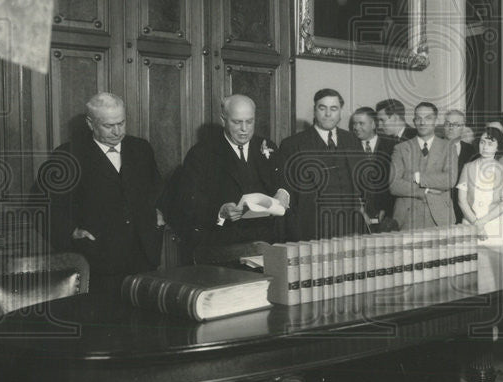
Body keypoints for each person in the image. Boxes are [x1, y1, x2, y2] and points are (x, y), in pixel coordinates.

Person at [40, 92, 162, 295]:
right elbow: (43, 206)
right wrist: (71, 232)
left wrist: (158, 215)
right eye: (108, 126)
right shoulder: (67, 155)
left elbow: (158, 189)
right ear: (90, 123)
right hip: (97, 261)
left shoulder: (141, 149)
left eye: (121, 123)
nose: (117, 131)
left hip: (143, 257)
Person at [169, 94, 288, 251]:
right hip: (223, 244)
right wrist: (220, 212)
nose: (244, 129)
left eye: (249, 121)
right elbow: (188, 203)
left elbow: (281, 180)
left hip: (266, 241)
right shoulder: (201, 153)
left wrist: (283, 192)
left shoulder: (267, 146)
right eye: (237, 122)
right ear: (223, 119)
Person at [277, 88, 363, 240]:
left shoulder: (352, 141)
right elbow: (286, 190)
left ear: (340, 111)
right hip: (311, 229)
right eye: (322, 108)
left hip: (349, 228)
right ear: (315, 110)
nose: (328, 114)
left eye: (333, 109)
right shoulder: (292, 145)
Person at [389, 102, 458, 229]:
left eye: (428, 118)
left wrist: (418, 178)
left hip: (440, 216)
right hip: (406, 217)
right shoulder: (400, 148)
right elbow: (394, 185)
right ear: (414, 121)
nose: (422, 122)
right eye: (418, 118)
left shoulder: (448, 147)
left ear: (436, 121)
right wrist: (424, 191)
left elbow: (450, 179)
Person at [456, 126, 503, 247]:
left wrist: (482, 223)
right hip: (470, 222)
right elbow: (461, 200)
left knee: (494, 264)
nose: (485, 147)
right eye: (482, 142)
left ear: (498, 147)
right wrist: (475, 223)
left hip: (494, 224)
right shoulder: (468, 167)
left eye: (490, 143)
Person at [350, 106, 398, 230]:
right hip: (357, 216)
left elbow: (395, 181)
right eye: (354, 124)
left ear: (373, 124)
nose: (356, 127)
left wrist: (385, 208)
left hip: (388, 213)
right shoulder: (348, 147)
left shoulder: (392, 146)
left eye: (361, 123)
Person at [444, 109, 479, 222]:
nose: (450, 128)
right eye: (447, 124)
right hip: (440, 208)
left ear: (463, 127)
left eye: (455, 125)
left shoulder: (471, 150)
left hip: (462, 209)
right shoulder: (433, 147)